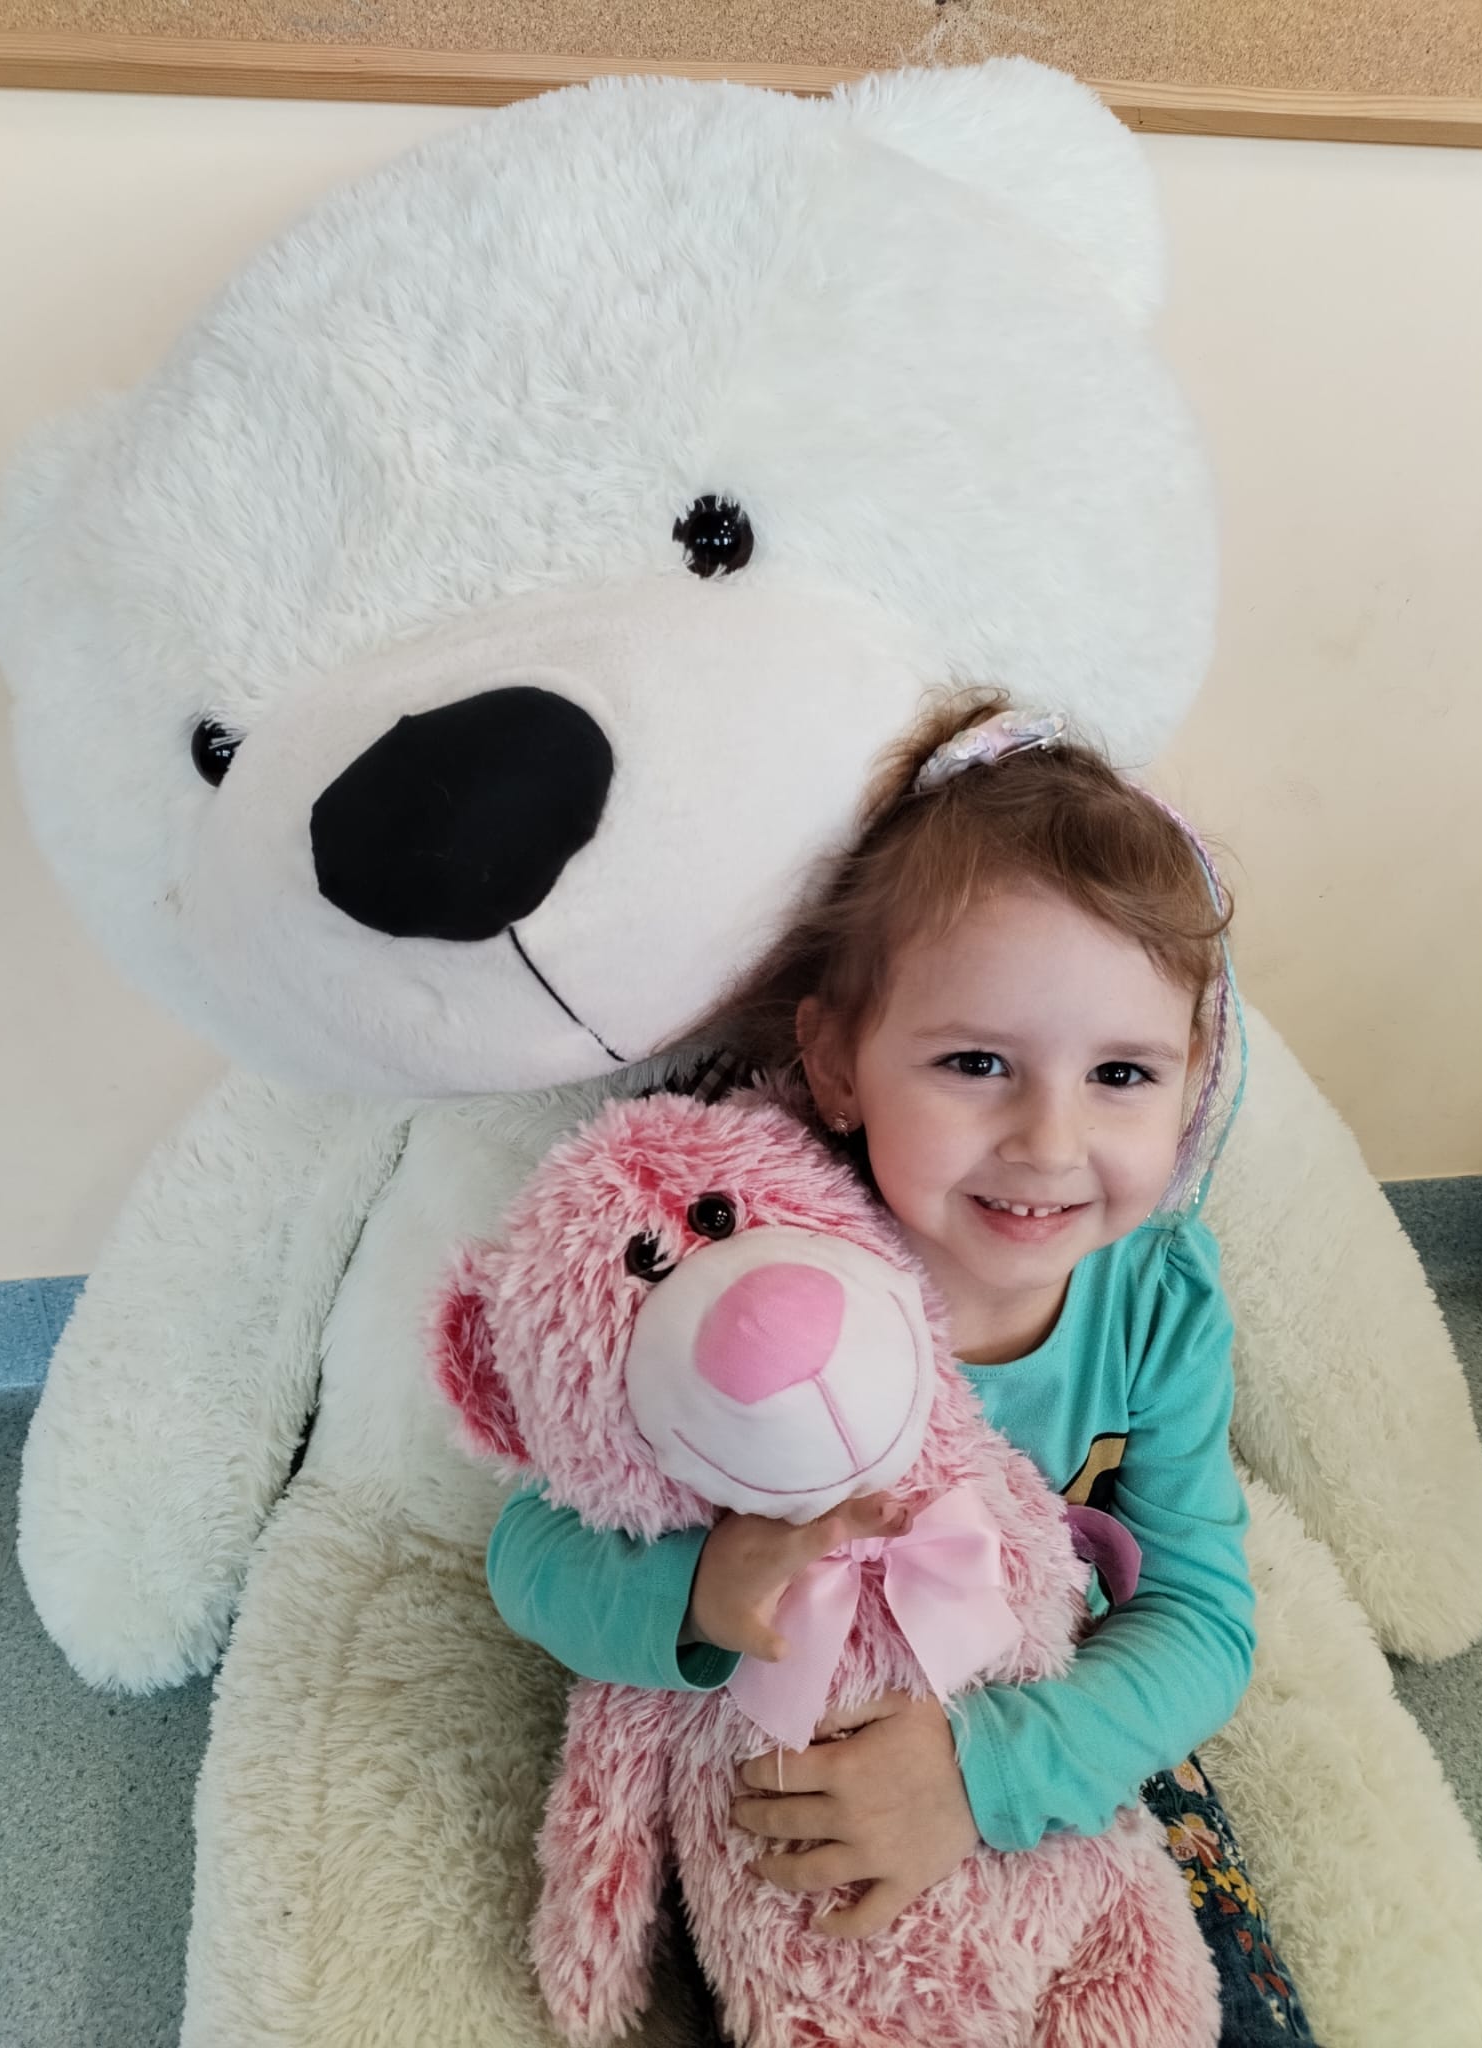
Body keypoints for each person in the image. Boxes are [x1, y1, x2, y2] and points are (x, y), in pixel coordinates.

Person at [486, 693, 1314, 2044]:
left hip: (1038, 1719)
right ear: (837, 1062)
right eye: (977, 1062)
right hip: (787, 1753)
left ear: (1191, 1078)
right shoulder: (756, 1266)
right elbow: (530, 1550)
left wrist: (985, 1778)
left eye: (1121, 1074)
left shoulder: (1159, 1298)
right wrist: (698, 1591)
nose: (1050, 1142)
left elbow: (1199, 1617)